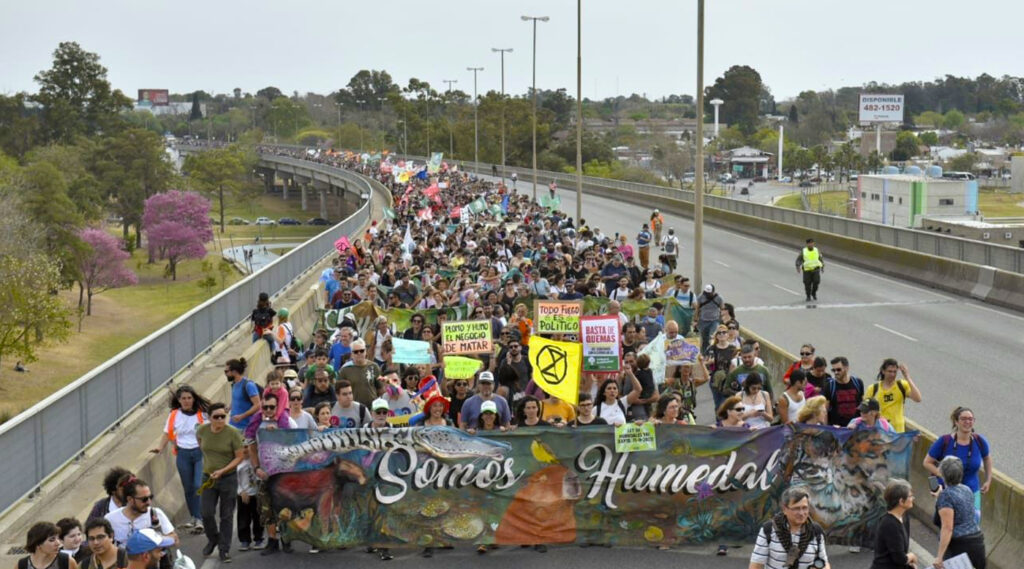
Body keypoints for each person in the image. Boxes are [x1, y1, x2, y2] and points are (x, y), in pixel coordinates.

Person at [149, 385, 209, 531]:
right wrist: (160, 447)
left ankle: (202, 517)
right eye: (183, 398)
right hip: (183, 454)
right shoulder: (174, 414)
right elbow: (167, 433)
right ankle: (195, 517)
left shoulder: (202, 414)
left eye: (189, 398)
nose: (187, 401)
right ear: (179, 400)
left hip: (199, 453)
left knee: (197, 485)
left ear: (194, 399)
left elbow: (210, 433)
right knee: (188, 488)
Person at [196, 402, 245, 562]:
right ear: (209, 418)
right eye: (216, 417)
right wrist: (210, 467)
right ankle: (213, 539)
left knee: (226, 515)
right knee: (206, 513)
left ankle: (224, 549)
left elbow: (239, 457)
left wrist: (222, 471)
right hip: (208, 477)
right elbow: (201, 444)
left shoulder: (233, 433)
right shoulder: (202, 430)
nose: (220, 420)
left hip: (228, 478)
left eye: (223, 416)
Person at [924, 406, 992, 519]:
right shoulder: (944, 441)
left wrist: (988, 480)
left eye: (970, 419)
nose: (967, 422)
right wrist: (943, 475)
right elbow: (927, 462)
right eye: (963, 419)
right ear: (956, 421)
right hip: (948, 492)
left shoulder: (980, 441)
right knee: (948, 527)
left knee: (972, 526)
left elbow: (987, 458)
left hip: (972, 492)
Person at [749, 486, 830, 569]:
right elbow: (756, 565)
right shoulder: (768, 530)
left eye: (804, 508)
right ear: (785, 509)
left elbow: (825, 563)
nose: (801, 513)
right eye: (796, 508)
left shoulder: (815, 531)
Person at [934, 456, 986, 569]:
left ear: (943, 474)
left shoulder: (945, 496)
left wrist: (939, 556)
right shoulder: (966, 489)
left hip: (959, 547)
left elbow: (947, 527)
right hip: (977, 543)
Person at [105, 478, 177, 550]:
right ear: (130, 499)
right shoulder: (110, 519)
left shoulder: (155, 513)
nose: (149, 502)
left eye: (150, 497)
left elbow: (175, 539)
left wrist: (157, 539)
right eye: (144, 499)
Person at [870, 478, 918, 569]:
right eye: (910, 496)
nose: (913, 498)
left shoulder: (904, 516)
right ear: (901, 501)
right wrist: (911, 556)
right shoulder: (889, 524)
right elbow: (899, 558)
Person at [865, 358, 922, 433]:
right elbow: (865, 410)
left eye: (895, 372)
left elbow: (918, 398)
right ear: (883, 371)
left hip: (898, 432)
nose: (892, 374)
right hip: (880, 431)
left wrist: (907, 377)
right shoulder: (873, 389)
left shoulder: (901, 385)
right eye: (890, 371)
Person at [338, 339, 382, 406]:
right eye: (356, 352)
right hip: (354, 408)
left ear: (365, 352)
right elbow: (339, 391)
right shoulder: (345, 370)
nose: (359, 353)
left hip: (373, 407)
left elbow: (380, 389)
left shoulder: (374, 366)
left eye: (362, 351)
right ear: (352, 354)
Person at [823, 356, 864, 427]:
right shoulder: (829, 386)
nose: (836, 372)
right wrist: (826, 429)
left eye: (838, 370)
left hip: (855, 428)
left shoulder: (857, 383)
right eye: (833, 370)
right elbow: (825, 411)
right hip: (838, 430)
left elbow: (863, 405)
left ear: (846, 368)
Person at [226, 358, 261, 430]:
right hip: (233, 425)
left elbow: (257, 405)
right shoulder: (234, 384)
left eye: (227, 371)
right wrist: (229, 407)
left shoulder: (248, 385)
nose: (226, 374)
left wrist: (242, 416)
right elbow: (236, 399)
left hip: (245, 427)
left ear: (234, 372)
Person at [693, 284, 724, 355]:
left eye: (709, 293)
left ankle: (712, 354)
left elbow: (722, 309)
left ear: (713, 291)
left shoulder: (719, 298)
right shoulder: (701, 297)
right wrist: (695, 320)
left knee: (712, 338)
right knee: (704, 339)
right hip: (703, 321)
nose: (707, 295)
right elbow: (697, 309)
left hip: (714, 321)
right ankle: (704, 354)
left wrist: (722, 320)